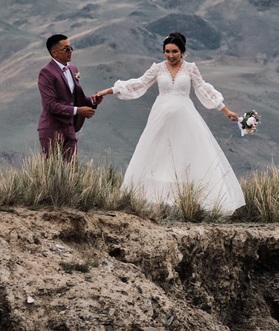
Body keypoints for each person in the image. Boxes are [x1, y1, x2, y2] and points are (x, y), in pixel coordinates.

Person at [108, 32, 246, 213]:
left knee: (187, 155)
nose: (170, 55)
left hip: (185, 116)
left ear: (182, 52)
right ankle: (153, 202)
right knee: (156, 155)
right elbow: (139, 84)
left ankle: (189, 204)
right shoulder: (157, 68)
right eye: (167, 51)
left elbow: (203, 89)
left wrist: (226, 111)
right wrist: (108, 91)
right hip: (160, 117)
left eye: (174, 51)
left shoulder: (190, 69)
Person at [36, 32, 96, 161]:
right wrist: (77, 110)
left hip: (70, 129)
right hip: (51, 130)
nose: (71, 51)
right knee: (51, 172)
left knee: (72, 173)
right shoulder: (46, 72)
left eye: (71, 47)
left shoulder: (73, 69)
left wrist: (93, 100)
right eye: (66, 49)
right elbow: (50, 105)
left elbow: (76, 98)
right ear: (54, 53)